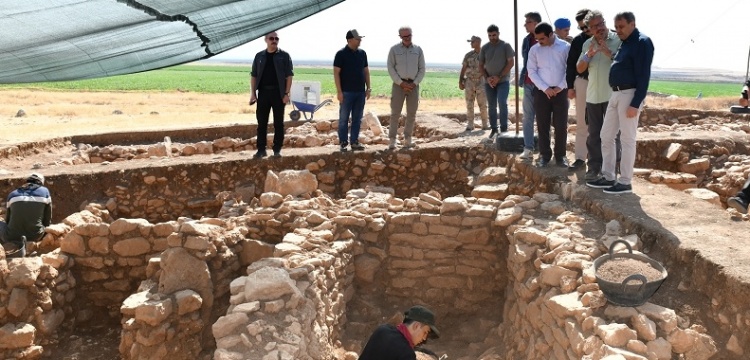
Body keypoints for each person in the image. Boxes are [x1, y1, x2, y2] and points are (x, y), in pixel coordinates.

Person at [586, 12, 654, 194]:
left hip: (629, 94)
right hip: (615, 93)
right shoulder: (625, 42)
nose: (618, 31)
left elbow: (643, 74)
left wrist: (636, 102)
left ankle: (625, 181)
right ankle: (608, 176)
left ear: (633, 23)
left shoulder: (642, 42)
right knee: (606, 135)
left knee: (627, 139)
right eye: (616, 27)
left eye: (622, 27)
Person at [577, 10, 623, 181]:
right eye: (595, 26)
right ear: (589, 29)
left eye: (601, 23)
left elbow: (624, 64)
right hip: (593, 96)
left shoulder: (618, 40)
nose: (600, 28)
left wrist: (607, 53)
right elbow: (580, 69)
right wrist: (588, 55)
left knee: (612, 135)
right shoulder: (587, 44)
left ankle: (612, 170)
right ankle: (594, 167)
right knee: (594, 134)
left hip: (612, 95)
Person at [527, 22, 571, 167]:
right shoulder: (534, 50)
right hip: (541, 93)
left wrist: (560, 86)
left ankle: (561, 156)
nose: (539, 42)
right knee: (542, 125)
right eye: (537, 39)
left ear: (551, 34)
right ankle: (544, 155)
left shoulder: (565, 47)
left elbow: (569, 69)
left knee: (561, 125)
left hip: (561, 91)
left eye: (542, 39)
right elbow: (532, 71)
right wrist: (545, 88)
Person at [249, 31, 294, 159]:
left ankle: (277, 150)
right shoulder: (259, 56)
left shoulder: (284, 56)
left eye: (276, 38)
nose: (274, 40)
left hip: (278, 94)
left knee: (278, 123)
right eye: (271, 38)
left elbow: (289, 76)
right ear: (266, 40)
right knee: (261, 123)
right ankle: (261, 150)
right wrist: (253, 94)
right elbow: (254, 75)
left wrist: (286, 93)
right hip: (263, 93)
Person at [387, 26, 426, 150]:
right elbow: (390, 68)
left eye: (409, 35)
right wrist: (400, 83)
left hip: (414, 85)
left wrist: (414, 83)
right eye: (405, 36)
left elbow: (422, 69)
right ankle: (392, 140)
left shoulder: (418, 50)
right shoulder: (394, 50)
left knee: (411, 114)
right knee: (395, 114)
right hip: (399, 85)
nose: (407, 38)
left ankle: (408, 139)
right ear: (400, 37)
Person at [334, 29, 371, 152]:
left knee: (357, 119)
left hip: (360, 93)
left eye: (360, 38)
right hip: (346, 93)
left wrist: (368, 88)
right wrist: (339, 91)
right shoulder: (340, 54)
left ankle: (354, 142)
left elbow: (366, 71)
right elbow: (336, 73)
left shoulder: (362, 53)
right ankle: (343, 142)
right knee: (344, 119)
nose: (360, 40)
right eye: (357, 38)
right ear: (349, 40)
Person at [358, 305, 440, 360]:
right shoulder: (406, 353)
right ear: (416, 326)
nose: (424, 338)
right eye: (425, 332)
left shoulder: (382, 330)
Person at [0, 173, 52, 257]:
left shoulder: (12, 194)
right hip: (36, 235)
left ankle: (4, 249)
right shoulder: (44, 192)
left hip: (12, 236)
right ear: (41, 183)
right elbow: (47, 219)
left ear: (26, 181)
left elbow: (8, 220)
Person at [566, 9, 592, 171]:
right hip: (582, 82)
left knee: (603, 124)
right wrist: (570, 87)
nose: (585, 30)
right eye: (582, 28)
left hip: (603, 85)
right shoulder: (578, 41)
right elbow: (570, 65)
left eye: (587, 26)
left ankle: (601, 161)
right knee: (582, 122)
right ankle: (580, 158)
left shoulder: (609, 38)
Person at [479, 24, 515, 139]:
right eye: (489, 35)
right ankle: (494, 129)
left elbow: (511, 63)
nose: (492, 37)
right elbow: (480, 65)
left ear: (498, 34)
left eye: (494, 35)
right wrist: (487, 78)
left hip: (503, 81)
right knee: (491, 105)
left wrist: (499, 76)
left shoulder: (505, 46)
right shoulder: (485, 48)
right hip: (489, 82)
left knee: (502, 103)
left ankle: (504, 129)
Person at [519, 12, 542, 159]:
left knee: (543, 118)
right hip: (528, 83)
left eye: (528, 22)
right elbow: (526, 60)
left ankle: (544, 149)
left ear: (536, 23)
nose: (525, 24)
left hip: (543, 85)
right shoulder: (527, 40)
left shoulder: (548, 39)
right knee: (528, 117)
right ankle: (528, 148)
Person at [459, 36, 489, 132]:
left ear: (478, 42)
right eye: (470, 42)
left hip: (481, 81)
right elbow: (463, 68)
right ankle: (470, 124)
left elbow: (489, 68)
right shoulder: (468, 55)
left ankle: (485, 124)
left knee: (483, 104)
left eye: (472, 42)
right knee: (469, 103)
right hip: (469, 81)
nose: (471, 43)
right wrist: (461, 81)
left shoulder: (485, 54)